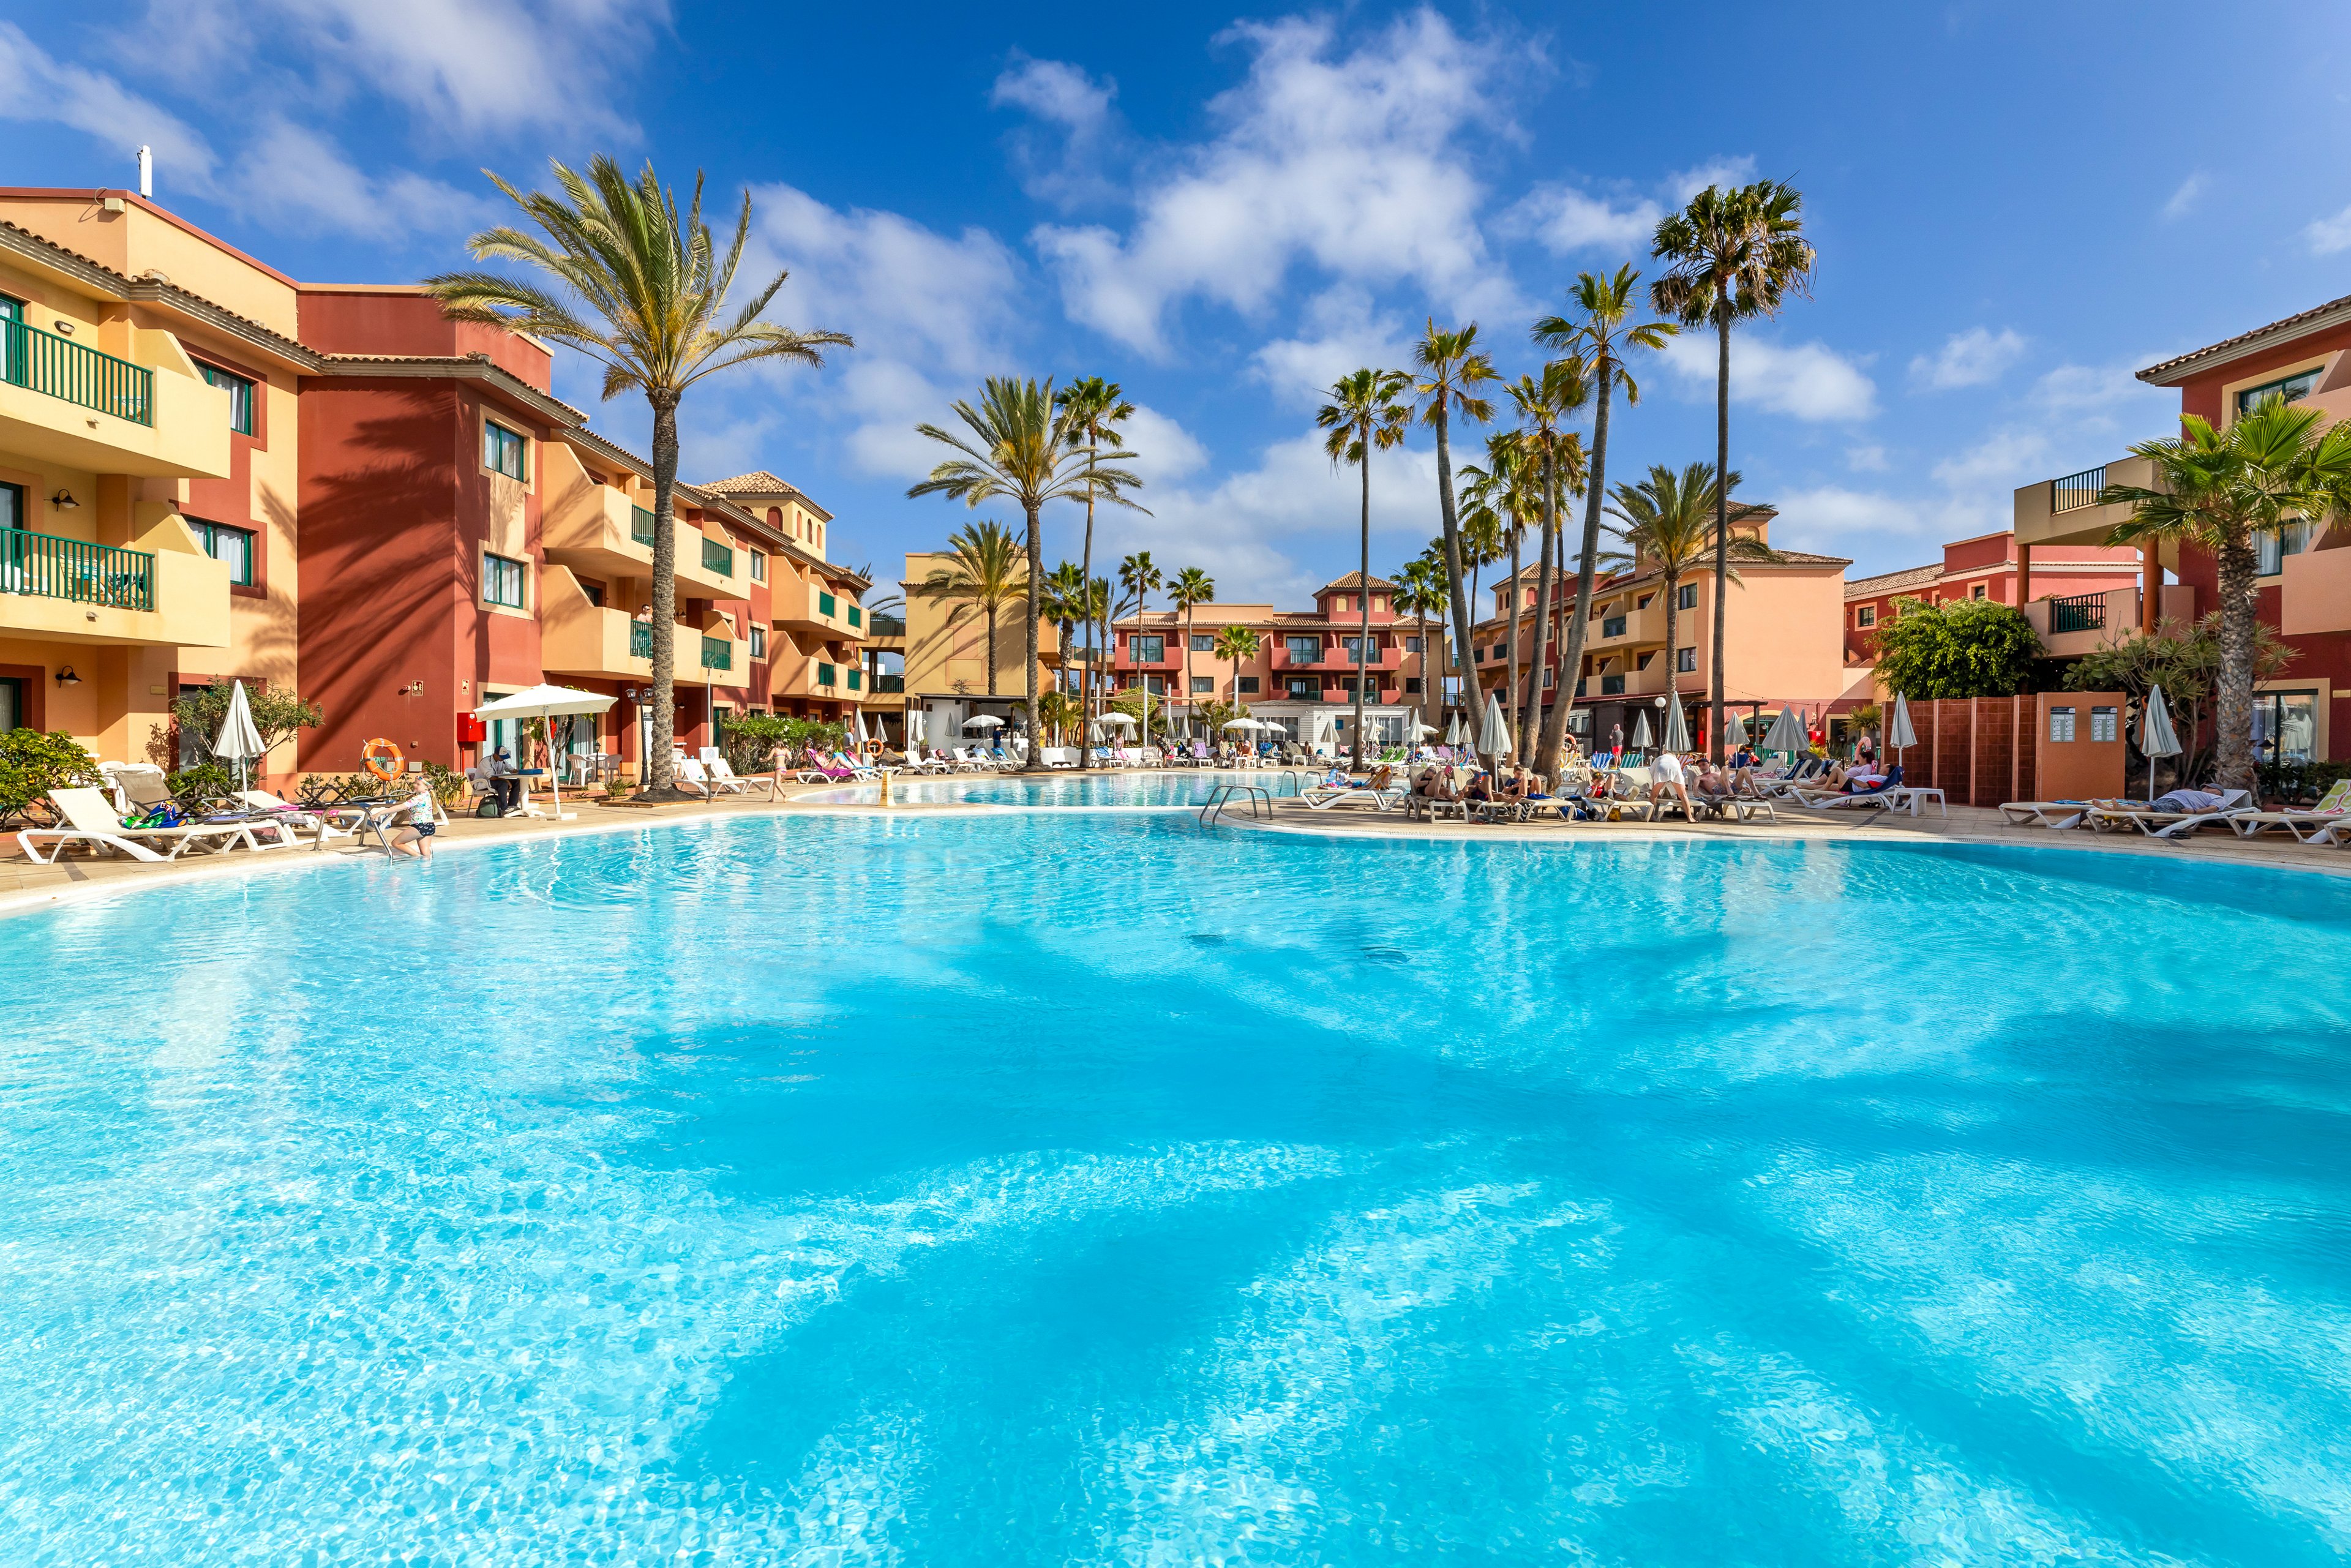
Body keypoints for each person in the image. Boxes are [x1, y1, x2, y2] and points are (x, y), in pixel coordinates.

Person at [386, 782, 436, 860]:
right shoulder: (428, 796)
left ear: (427, 787)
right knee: (426, 853)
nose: (414, 785)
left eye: (418, 784)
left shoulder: (417, 798)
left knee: (396, 843)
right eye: (415, 783)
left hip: (420, 826)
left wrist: (379, 814)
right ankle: (427, 869)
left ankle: (418, 857)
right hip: (430, 826)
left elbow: (400, 807)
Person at [1649, 748, 1694, 815]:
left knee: (1654, 794)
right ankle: (1690, 818)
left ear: (1664, 751)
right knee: (1683, 795)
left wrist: (1653, 786)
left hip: (1661, 770)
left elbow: (1651, 772)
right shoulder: (1676, 759)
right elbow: (1679, 772)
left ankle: (1651, 816)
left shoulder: (1659, 758)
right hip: (1675, 770)